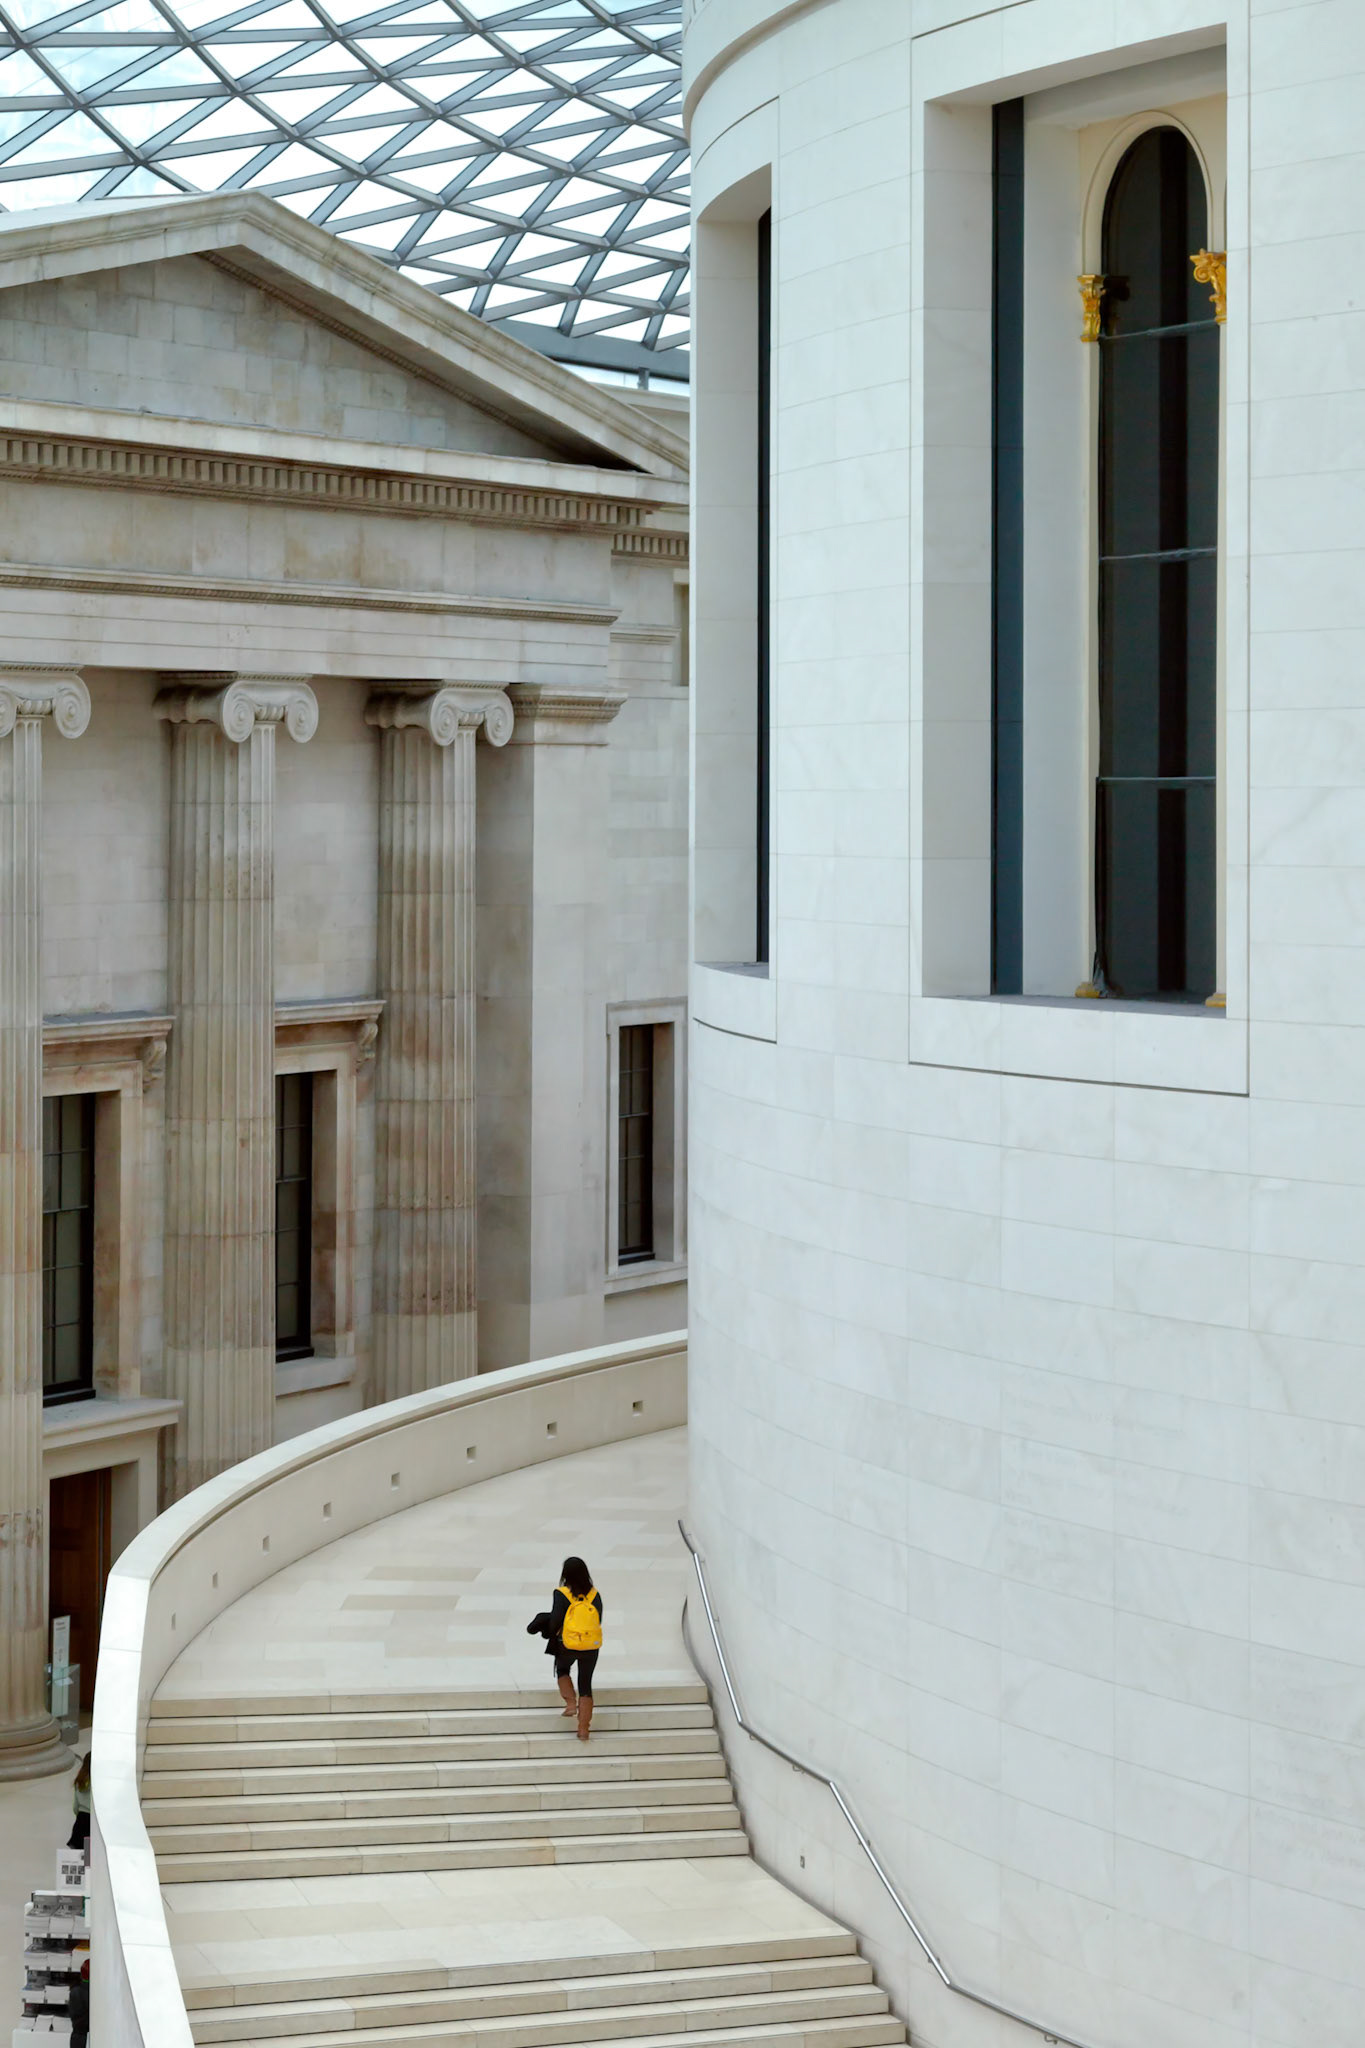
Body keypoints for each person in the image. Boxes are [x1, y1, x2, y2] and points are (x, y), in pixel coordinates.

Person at [545, 1555, 603, 1742]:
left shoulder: (561, 1593)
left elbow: (555, 1620)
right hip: (590, 1646)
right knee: (585, 1684)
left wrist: (550, 1632)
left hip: (567, 1644)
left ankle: (570, 1703)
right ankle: (583, 1730)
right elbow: (598, 1619)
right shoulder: (594, 1594)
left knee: (562, 1669)